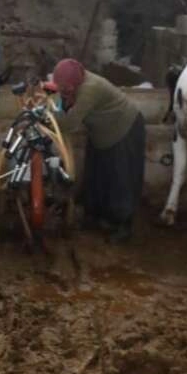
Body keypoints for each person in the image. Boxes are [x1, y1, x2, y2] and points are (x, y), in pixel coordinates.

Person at [52, 59, 146, 243]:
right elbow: (62, 103)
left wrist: (46, 115)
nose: (63, 91)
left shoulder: (90, 88)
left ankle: (123, 225)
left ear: (74, 83)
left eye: (65, 88)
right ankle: (94, 217)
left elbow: (69, 123)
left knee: (121, 178)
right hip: (102, 133)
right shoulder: (76, 83)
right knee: (96, 175)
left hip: (125, 128)